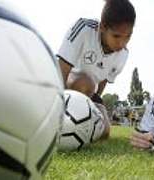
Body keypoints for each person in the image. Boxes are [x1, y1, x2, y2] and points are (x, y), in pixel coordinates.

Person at [57, 0, 136, 139]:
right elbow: (61, 67)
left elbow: (105, 79)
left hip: (90, 93)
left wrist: (96, 103)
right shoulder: (84, 28)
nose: (122, 43)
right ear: (102, 27)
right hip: (67, 85)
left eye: (128, 36)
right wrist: (60, 103)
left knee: (104, 132)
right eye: (116, 36)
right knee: (85, 83)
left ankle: (84, 123)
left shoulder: (124, 53)